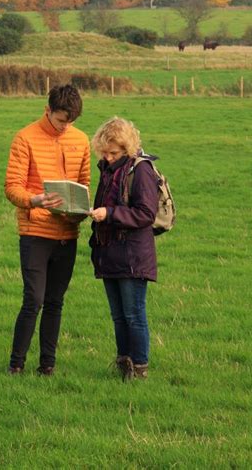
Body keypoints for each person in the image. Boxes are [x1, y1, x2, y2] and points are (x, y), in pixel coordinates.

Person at [5, 84, 91, 375]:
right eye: (61, 120)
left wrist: (79, 213)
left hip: (67, 234)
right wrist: (35, 200)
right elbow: (12, 186)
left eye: (71, 122)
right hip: (35, 232)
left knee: (56, 302)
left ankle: (48, 367)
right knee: (34, 300)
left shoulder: (81, 140)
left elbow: (85, 183)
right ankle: (16, 365)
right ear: (47, 110)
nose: (66, 127)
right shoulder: (24, 138)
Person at [89, 116, 159, 381]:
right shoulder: (107, 170)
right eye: (104, 152)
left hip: (132, 255)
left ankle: (140, 368)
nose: (107, 157)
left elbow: (145, 213)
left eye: (113, 152)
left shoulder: (140, 170)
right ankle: (123, 364)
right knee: (118, 316)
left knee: (133, 314)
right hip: (109, 252)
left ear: (127, 148)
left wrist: (109, 213)